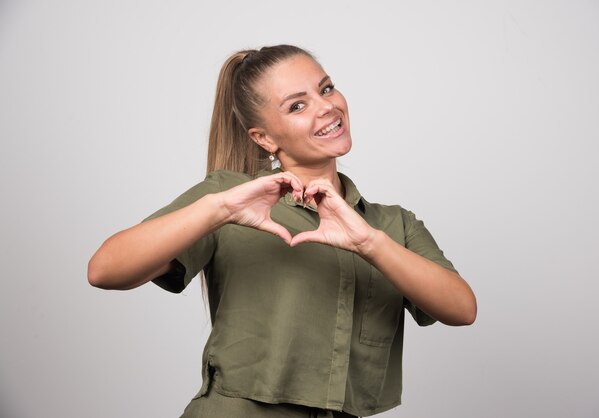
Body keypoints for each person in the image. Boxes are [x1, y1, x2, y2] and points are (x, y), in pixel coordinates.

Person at [88, 44, 477, 418]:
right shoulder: (231, 200)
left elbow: (462, 309)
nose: (327, 106)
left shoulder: (393, 224)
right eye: (297, 105)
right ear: (264, 138)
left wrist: (368, 243)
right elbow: (105, 270)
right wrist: (220, 208)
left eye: (325, 88)